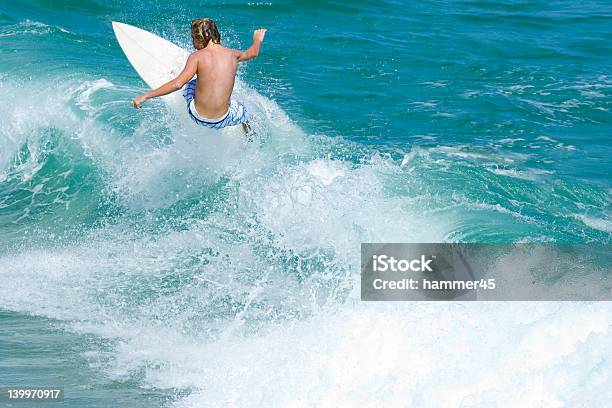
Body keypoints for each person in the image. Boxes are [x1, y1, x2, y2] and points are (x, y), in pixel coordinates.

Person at [132, 18, 266, 137]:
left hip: (196, 115)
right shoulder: (233, 55)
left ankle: (182, 74)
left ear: (204, 36)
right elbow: (253, 53)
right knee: (247, 111)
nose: (192, 42)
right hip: (222, 120)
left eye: (193, 38)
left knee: (190, 82)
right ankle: (250, 135)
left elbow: (178, 84)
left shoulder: (196, 56)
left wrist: (146, 96)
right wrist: (257, 39)